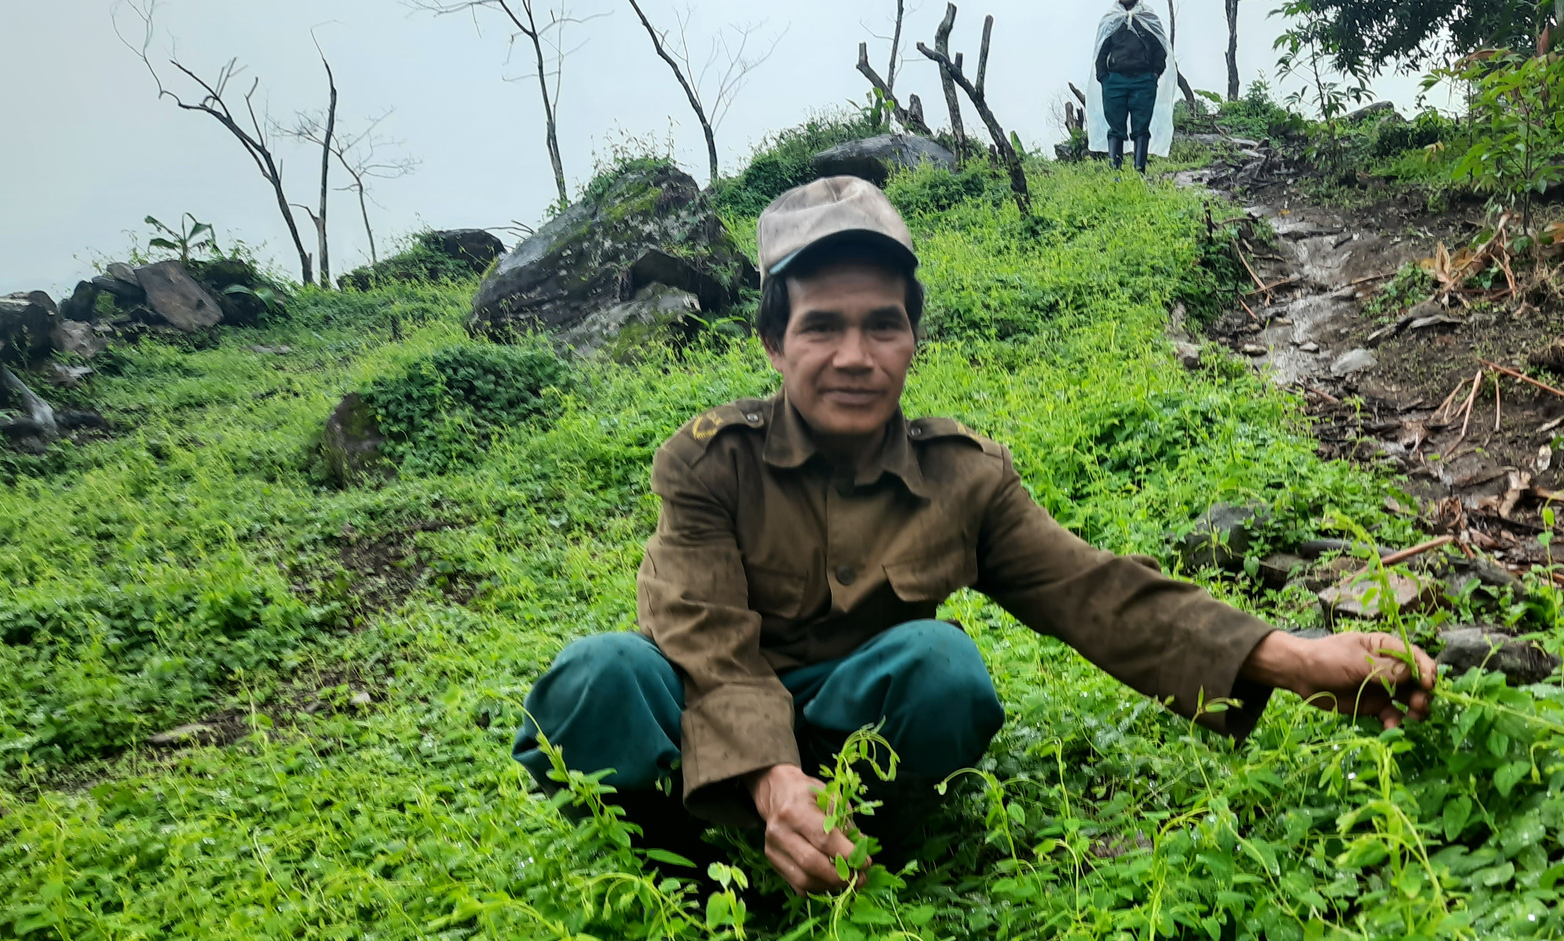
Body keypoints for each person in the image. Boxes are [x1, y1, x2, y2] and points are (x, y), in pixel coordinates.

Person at [513, 176, 1436, 895]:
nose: (854, 356)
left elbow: (1094, 592)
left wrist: (1292, 657)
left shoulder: (964, 475)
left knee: (941, 668)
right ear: (773, 344)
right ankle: (684, 866)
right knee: (598, 678)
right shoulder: (709, 463)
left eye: (883, 325)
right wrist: (770, 781)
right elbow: (707, 648)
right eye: (822, 327)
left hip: (850, 739)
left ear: (914, 336)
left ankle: (865, 846)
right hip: (714, 749)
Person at [1089, 0, 1175, 173]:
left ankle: (1139, 171)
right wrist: (1104, 78)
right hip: (1115, 81)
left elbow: (1160, 49)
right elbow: (1101, 51)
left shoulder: (1148, 17)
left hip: (1143, 81)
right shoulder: (1111, 19)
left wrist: (1154, 74)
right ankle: (1115, 172)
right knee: (1116, 128)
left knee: (1141, 127)